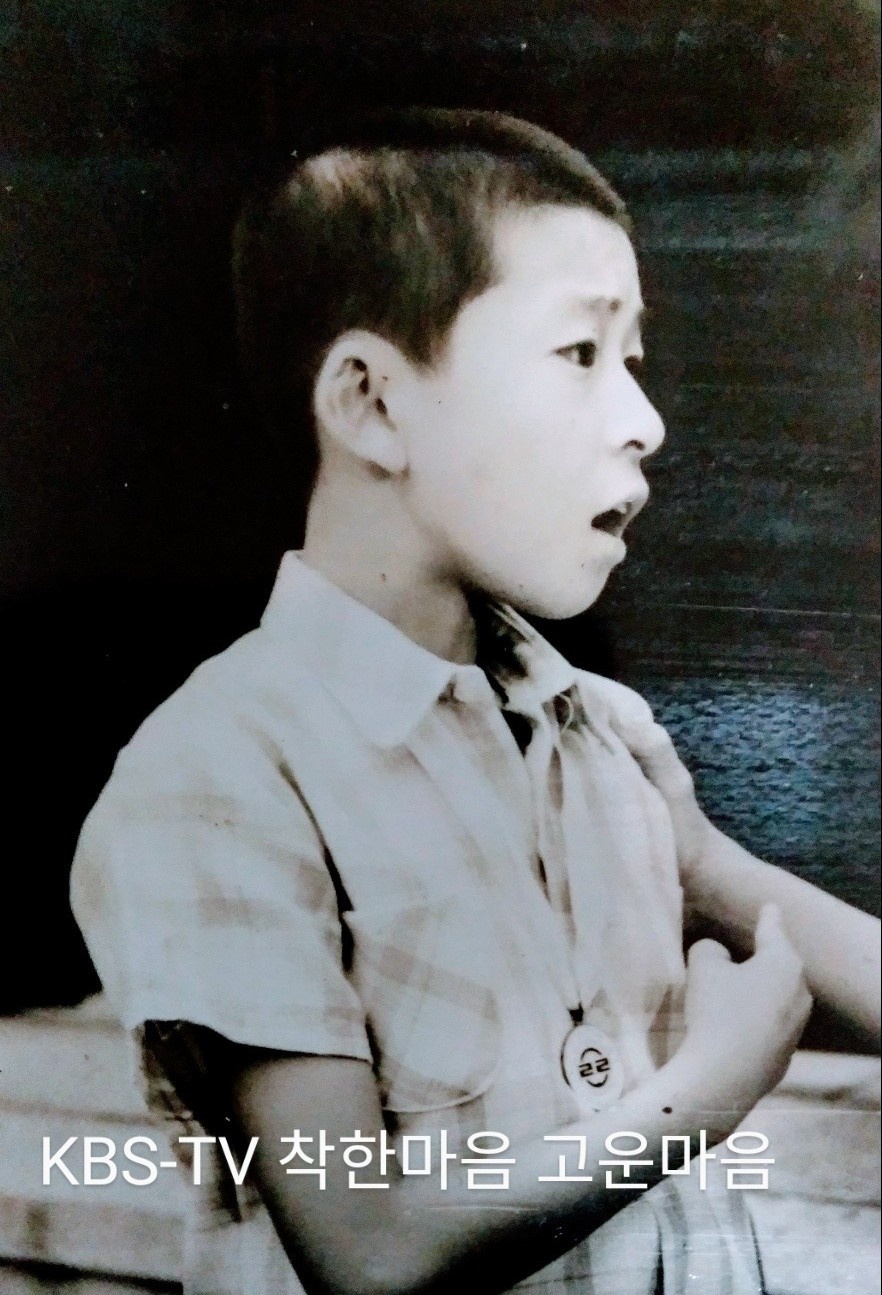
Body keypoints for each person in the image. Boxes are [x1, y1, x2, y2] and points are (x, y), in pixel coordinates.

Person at [70, 109, 880, 1295]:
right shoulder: (219, 770)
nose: (645, 421)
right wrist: (703, 1095)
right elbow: (367, 1249)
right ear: (372, 404)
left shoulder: (597, 729)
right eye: (581, 352)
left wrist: (706, 863)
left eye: (635, 359)